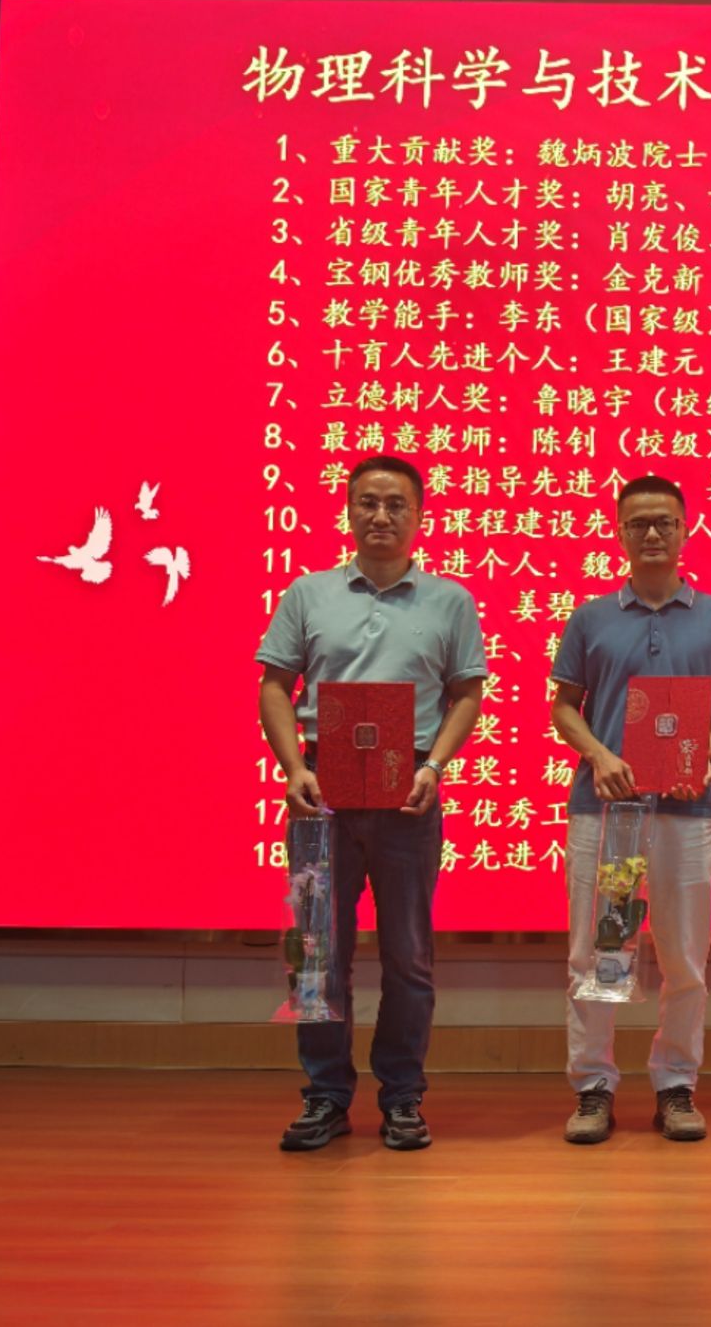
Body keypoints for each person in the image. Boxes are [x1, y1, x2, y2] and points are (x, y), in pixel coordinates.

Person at [256, 454, 488, 1152]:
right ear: (349, 510)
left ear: (420, 516)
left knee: (408, 957)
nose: (380, 515)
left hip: (408, 792)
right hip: (320, 791)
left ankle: (403, 1096)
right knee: (317, 953)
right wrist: (292, 768)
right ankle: (325, 1096)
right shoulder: (308, 594)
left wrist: (435, 766)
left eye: (395, 504)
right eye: (367, 502)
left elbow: (466, 694)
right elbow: (275, 687)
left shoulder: (449, 600)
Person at [551, 476, 711, 1144]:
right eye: (638, 522)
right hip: (604, 810)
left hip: (686, 811)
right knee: (596, 955)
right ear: (618, 531)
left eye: (664, 522)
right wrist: (598, 755)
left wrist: (703, 753)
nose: (651, 533)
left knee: (685, 957)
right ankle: (593, 1087)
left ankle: (675, 1083)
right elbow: (563, 708)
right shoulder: (591, 618)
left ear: (685, 529)